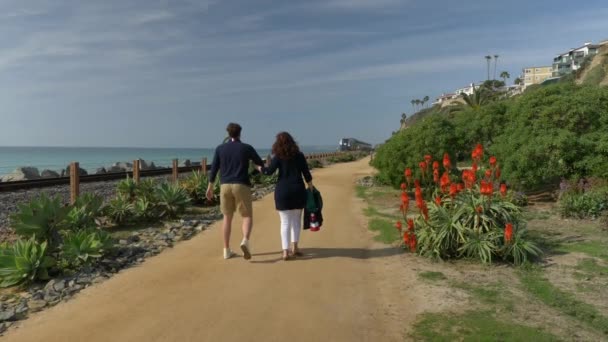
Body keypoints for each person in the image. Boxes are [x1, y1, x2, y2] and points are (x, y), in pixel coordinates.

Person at [207, 123, 265, 260]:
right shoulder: (246, 148)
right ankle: (245, 240)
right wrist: (254, 167)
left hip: (224, 185)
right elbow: (260, 163)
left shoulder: (220, 149)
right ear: (240, 133)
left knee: (227, 218)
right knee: (247, 216)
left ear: (228, 134)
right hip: (241, 184)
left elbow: (214, 168)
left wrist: (209, 187)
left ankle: (226, 250)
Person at [259, 132, 313, 261]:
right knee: (296, 221)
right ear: (292, 142)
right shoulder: (299, 156)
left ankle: (285, 252)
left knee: (285, 223)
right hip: (298, 190)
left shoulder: (278, 157)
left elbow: (269, 172)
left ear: (277, 143)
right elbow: (306, 173)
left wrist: (259, 168)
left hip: (282, 191)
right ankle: (295, 248)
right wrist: (311, 187)